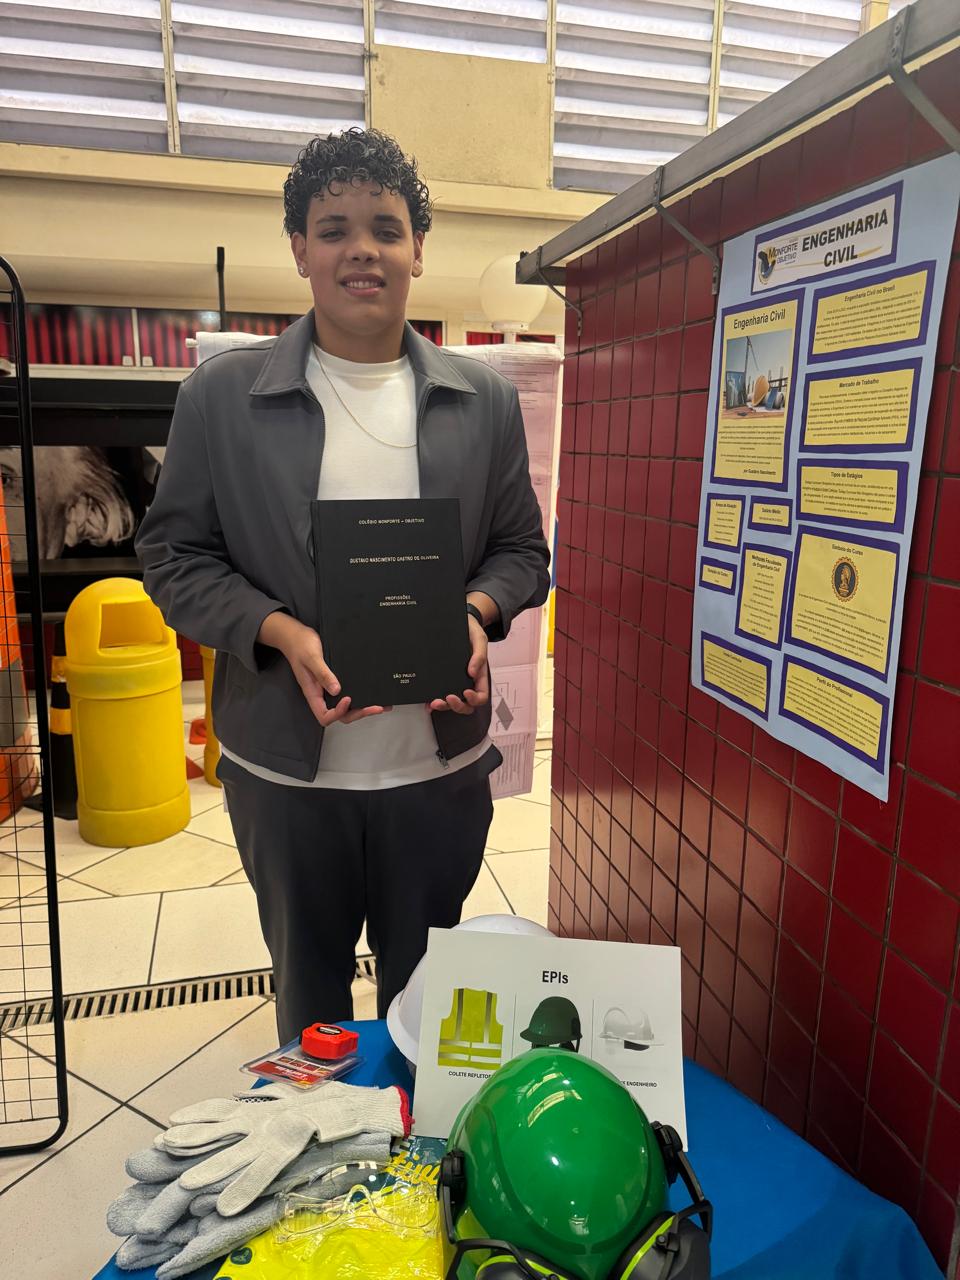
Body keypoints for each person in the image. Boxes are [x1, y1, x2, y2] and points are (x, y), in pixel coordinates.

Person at [136, 128, 550, 1042]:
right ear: (300, 250)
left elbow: (523, 551)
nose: (362, 249)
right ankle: (318, 1133)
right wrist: (280, 632)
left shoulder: (481, 403)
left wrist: (476, 613)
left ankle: (407, 1133)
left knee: (425, 1016)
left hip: (436, 771)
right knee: (311, 1011)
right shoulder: (223, 399)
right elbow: (172, 558)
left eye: (385, 229)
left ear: (416, 250)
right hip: (288, 776)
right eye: (334, 230)